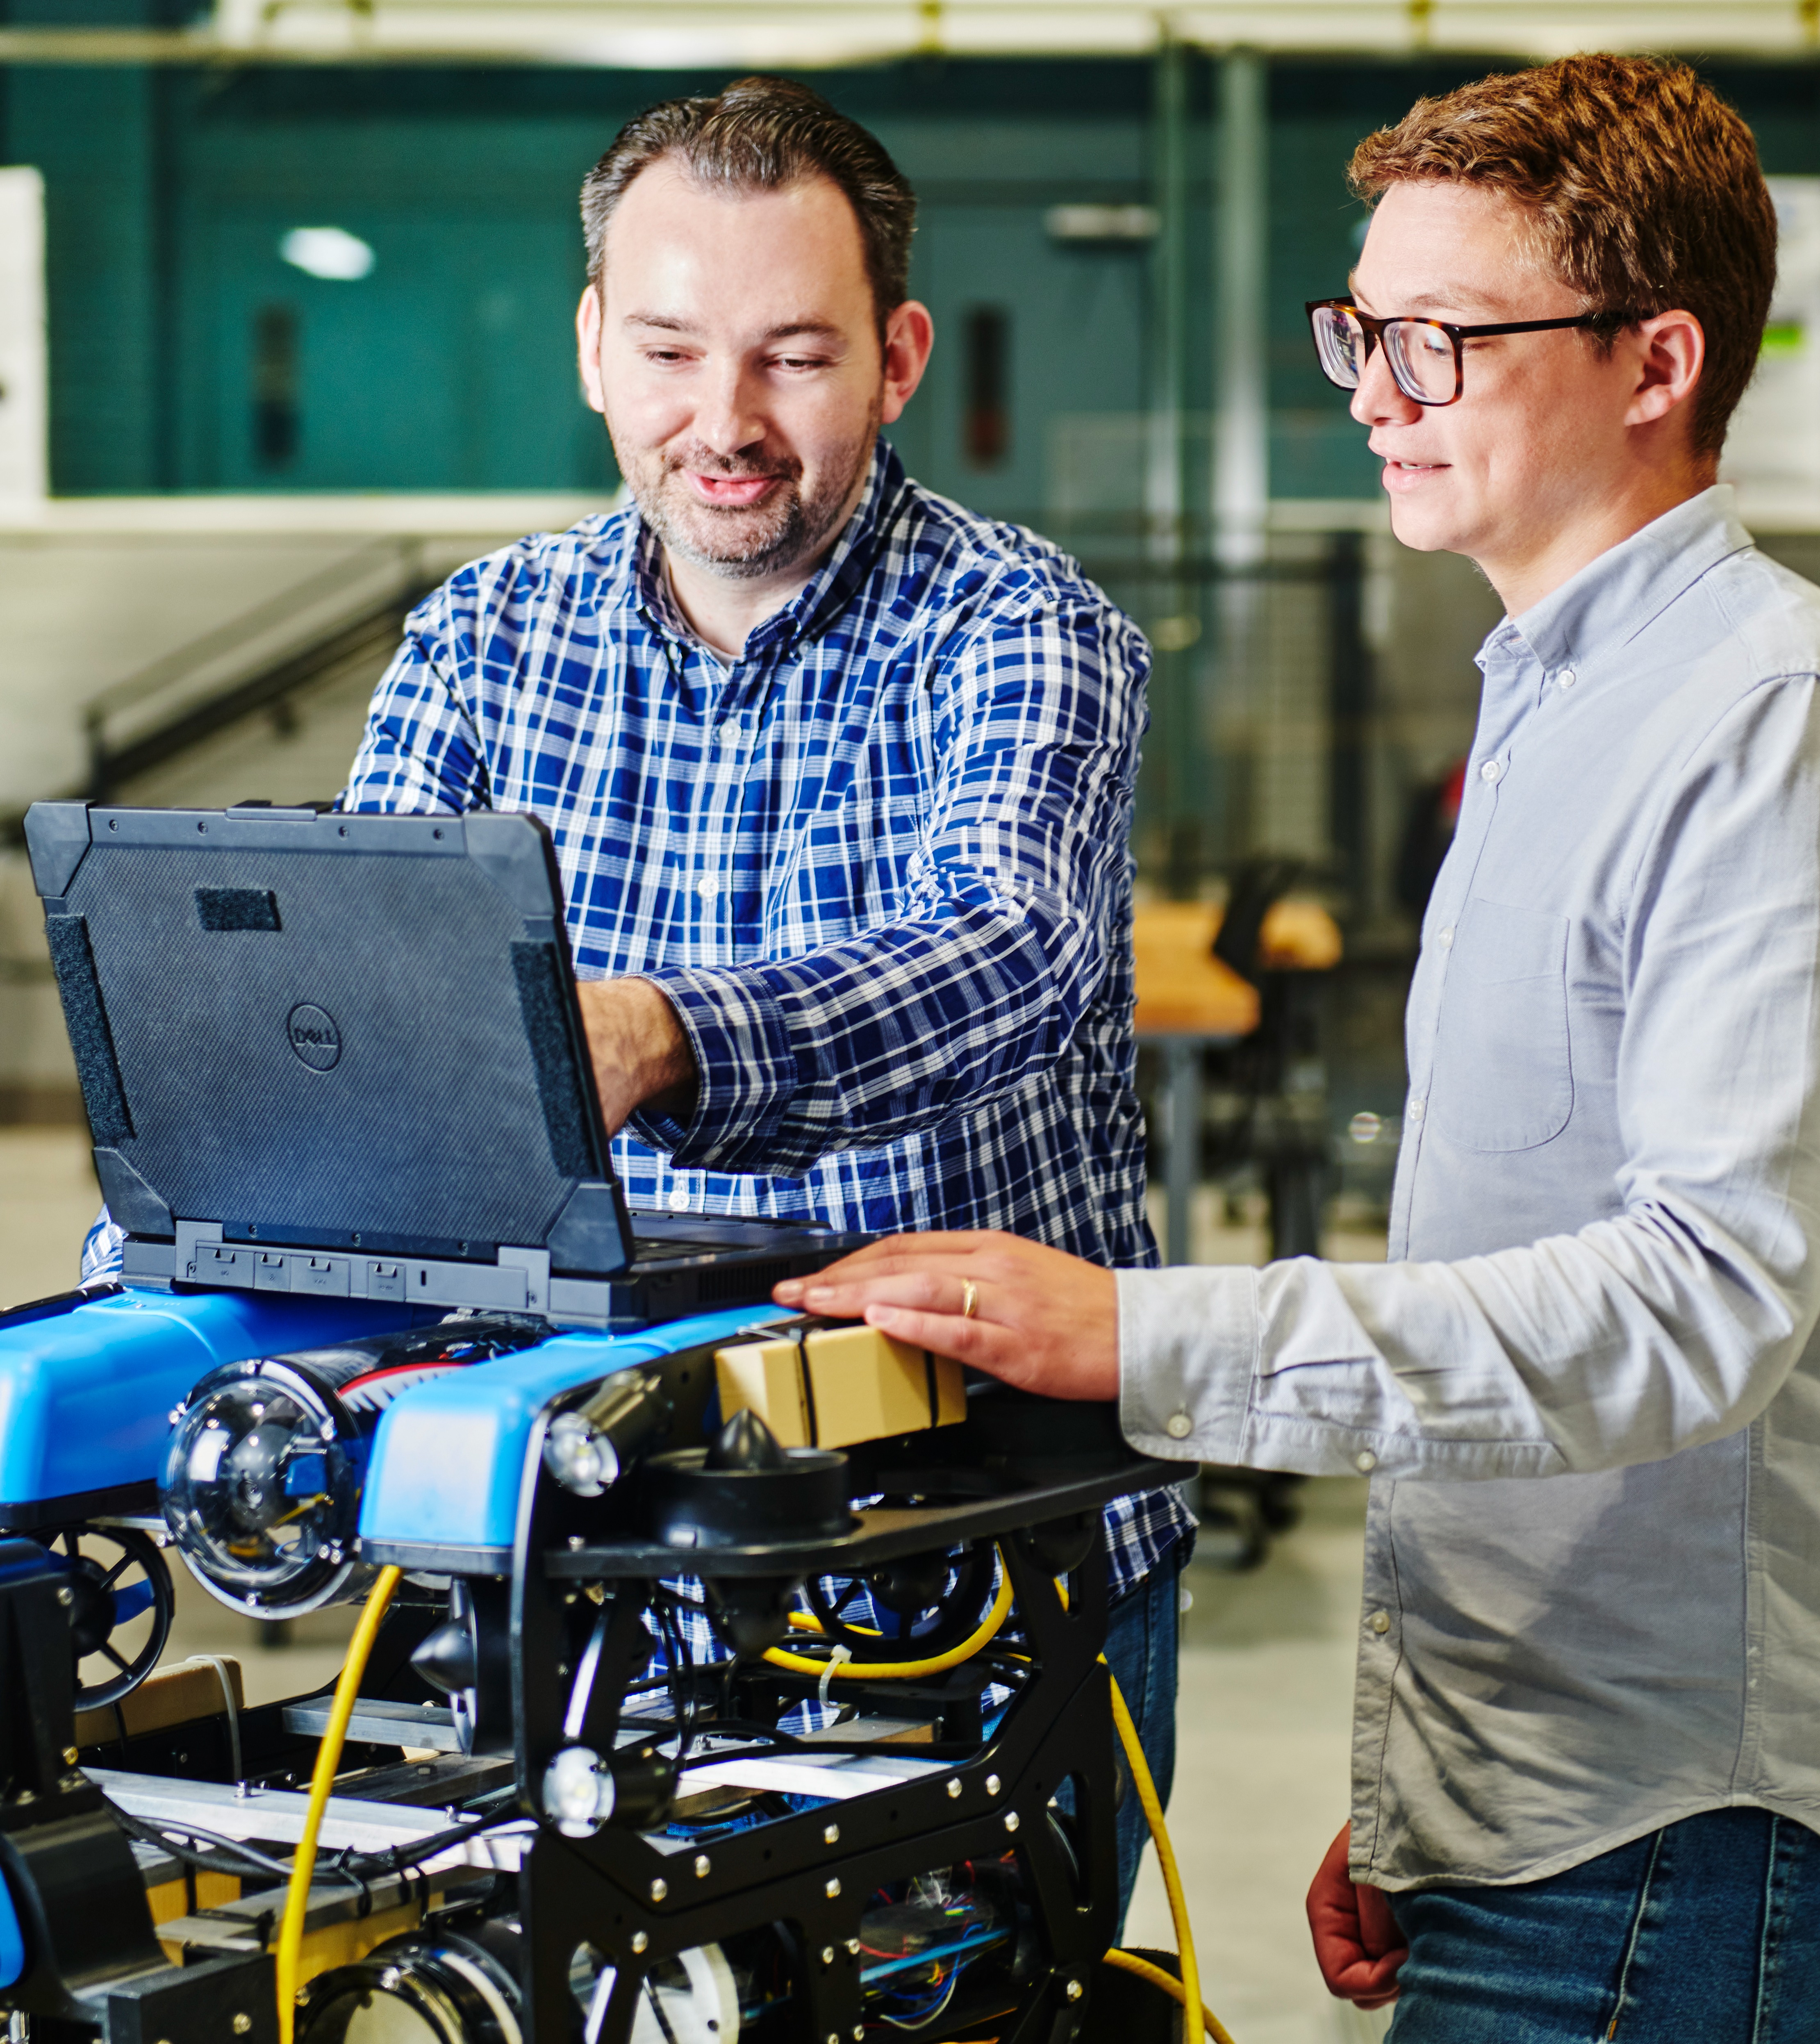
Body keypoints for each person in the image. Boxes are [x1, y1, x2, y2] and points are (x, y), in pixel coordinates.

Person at [770, 53, 1820, 2042]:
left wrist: (1145, 1338)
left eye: (1432, 343)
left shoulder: (1765, 719)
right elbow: (1507, 1265)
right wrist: (1429, 1785)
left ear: (1654, 360)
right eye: (1359, 330)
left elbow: (1691, 1309)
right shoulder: (1555, 693)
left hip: (1684, 1803)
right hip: (1550, 1792)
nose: (1366, 393)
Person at [80, 76, 1188, 1917]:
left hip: (953, 1561)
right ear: (596, 346)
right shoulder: (483, 639)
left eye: (794, 357)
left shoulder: (1018, 627)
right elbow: (364, 1036)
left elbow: (1013, 947)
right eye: (669, 349)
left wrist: (664, 1031)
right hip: (570, 1559)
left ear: (898, 357)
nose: (725, 423)